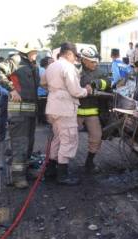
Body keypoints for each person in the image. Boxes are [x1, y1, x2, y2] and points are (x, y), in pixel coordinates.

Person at [0, 42, 40, 188]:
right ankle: (17, 177)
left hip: (30, 112)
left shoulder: (32, 64)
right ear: (26, 51)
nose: (36, 54)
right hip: (19, 112)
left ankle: (25, 171)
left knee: (29, 144)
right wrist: (11, 89)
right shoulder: (15, 60)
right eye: (34, 51)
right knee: (20, 144)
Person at [44, 42, 92, 185]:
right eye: (74, 56)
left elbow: (43, 83)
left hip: (52, 106)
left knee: (57, 138)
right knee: (68, 139)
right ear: (69, 53)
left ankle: (51, 170)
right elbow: (75, 91)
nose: (75, 59)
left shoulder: (51, 66)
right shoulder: (68, 67)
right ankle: (62, 175)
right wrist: (86, 91)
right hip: (65, 108)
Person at [77, 47, 112, 174]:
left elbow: (108, 82)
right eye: (92, 61)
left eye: (96, 61)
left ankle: (89, 163)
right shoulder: (75, 70)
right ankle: (58, 165)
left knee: (97, 137)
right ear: (84, 60)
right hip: (75, 112)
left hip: (92, 111)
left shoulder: (99, 71)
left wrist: (95, 83)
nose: (95, 64)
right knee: (67, 139)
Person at [0, 57, 9, 141]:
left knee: (3, 117)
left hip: (4, 97)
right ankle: (2, 136)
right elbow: (0, 89)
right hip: (4, 98)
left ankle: (3, 135)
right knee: (3, 117)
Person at [37, 56, 54, 124]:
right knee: (44, 108)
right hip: (43, 92)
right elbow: (41, 83)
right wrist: (48, 89)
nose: (53, 62)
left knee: (41, 108)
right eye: (51, 61)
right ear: (47, 62)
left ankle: (40, 121)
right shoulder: (44, 70)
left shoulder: (40, 69)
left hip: (39, 93)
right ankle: (44, 121)